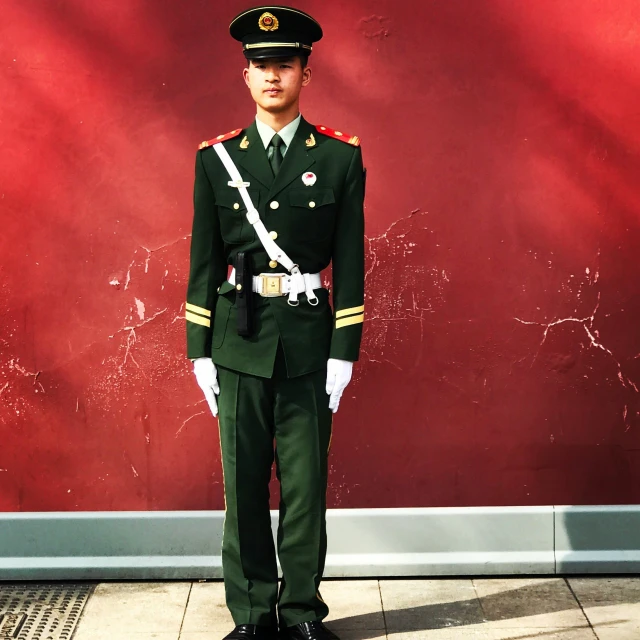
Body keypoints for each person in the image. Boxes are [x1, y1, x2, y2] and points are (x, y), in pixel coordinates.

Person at [185, 6, 365, 640]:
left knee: (305, 488)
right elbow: (203, 258)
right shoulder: (217, 160)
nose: (271, 76)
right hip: (238, 340)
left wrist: (344, 351)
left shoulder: (341, 159)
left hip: (308, 342)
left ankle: (302, 615)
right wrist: (197, 349)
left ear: (304, 75)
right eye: (260, 66)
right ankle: (254, 616)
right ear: (245, 76)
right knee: (243, 486)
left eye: (284, 65)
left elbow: (350, 260)